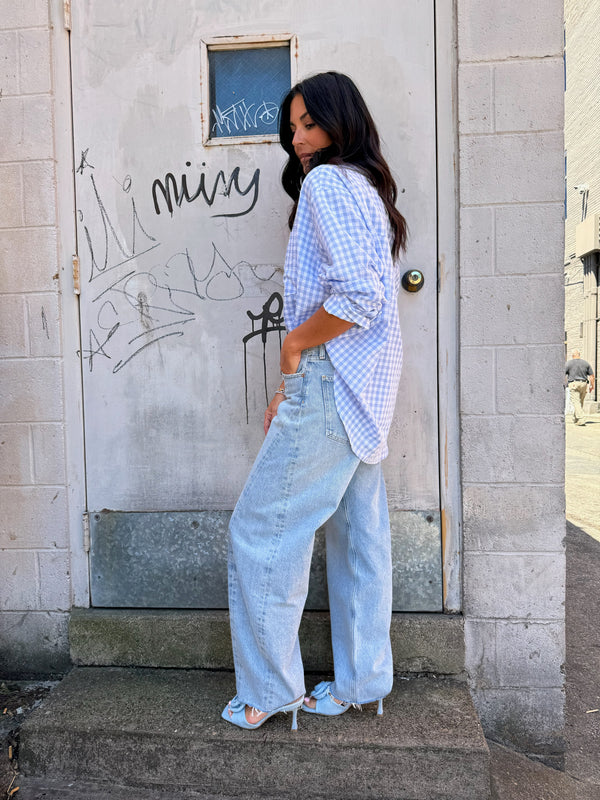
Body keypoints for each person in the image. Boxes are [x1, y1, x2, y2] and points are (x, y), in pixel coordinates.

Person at [221, 71, 407, 730]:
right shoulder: (363, 187)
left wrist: (292, 352)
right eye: (292, 127)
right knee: (359, 540)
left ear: (340, 121)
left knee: (261, 533)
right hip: (364, 389)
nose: (299, 140)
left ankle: (269, 692)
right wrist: (291, 385)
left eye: (309, 124)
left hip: (329, 380)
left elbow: (358, 297)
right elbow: (369, 297)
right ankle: (363, 683)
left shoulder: (329, 184)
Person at [565, 349, 595, 426]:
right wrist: (592, 386)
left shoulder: (568, 363)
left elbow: (563, 374)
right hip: (584, 384)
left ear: (572, 355)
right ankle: (575, 418)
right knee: (580, 402)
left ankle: (581, 419)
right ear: (579, 354)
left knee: (576, 402)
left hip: (574, 383)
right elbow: (592, 376)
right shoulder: (585, 363)